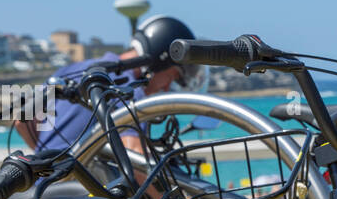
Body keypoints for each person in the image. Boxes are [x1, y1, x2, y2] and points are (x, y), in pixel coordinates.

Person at [15, 14, 206, 153]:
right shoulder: (128, 88)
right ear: (159, 62)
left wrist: (51, 162)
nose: (165, 88)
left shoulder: (73, 69)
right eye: (171, 78)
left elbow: (21, 121)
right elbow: (135, 157)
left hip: (42, 190)